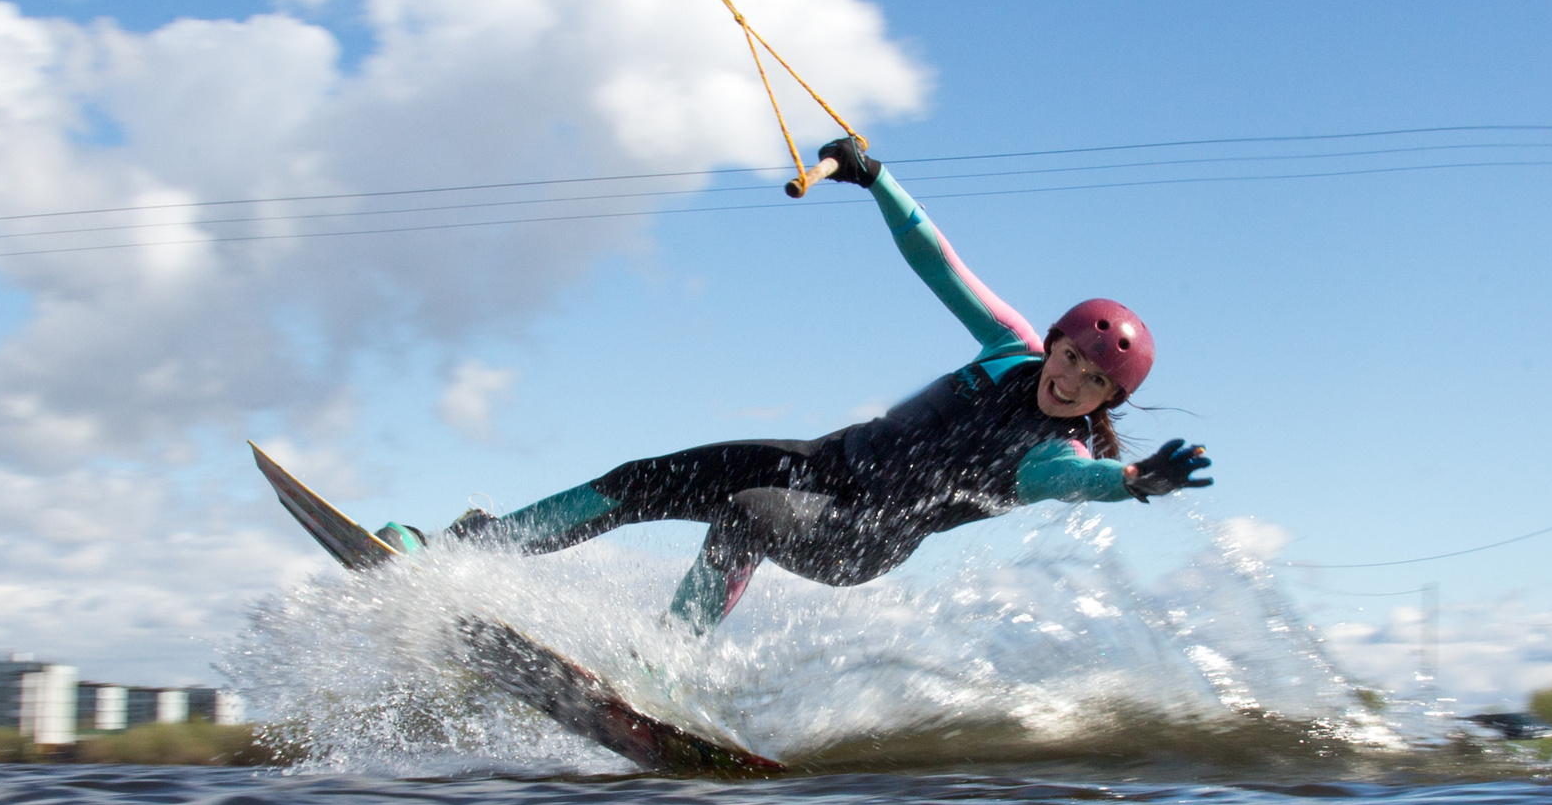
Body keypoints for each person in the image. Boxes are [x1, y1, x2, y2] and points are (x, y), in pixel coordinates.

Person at [380, 137, 1214, 632]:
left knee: (743, 515)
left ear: (1108, 402)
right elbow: (937, 260)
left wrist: (1134, 480)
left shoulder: (1050, 451)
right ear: (1058, 340)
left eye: (1095, 381)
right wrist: (876, 178)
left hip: (862, 533)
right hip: (822, 462)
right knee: (638, 482)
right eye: (1072, 356)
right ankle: (464, 551)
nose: (1071, 379)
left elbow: (1078, 481)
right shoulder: (1010, 344)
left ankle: (666, 659)